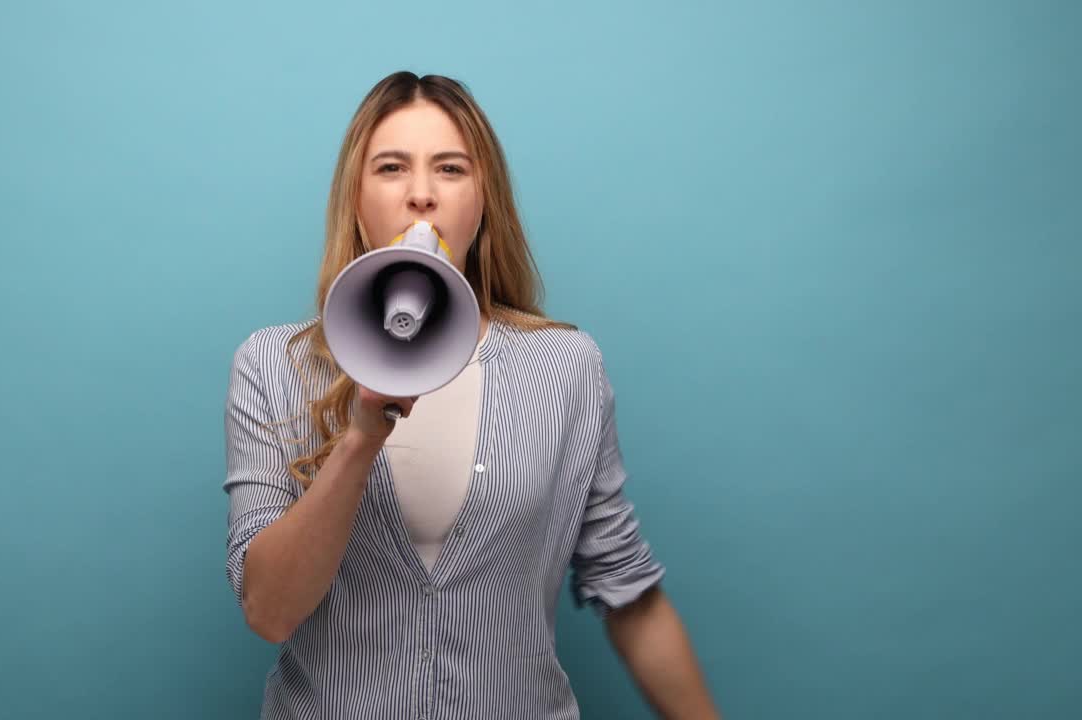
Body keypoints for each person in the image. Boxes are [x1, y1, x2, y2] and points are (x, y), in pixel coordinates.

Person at [223, 71, 718, 719]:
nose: (421, 196)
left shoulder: (567, 368)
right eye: (392, 167)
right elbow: (269, 610)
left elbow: (630, 595)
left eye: (451, 169)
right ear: (355, 198)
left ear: (485, 200)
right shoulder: (274, 364)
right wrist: (361, 439)